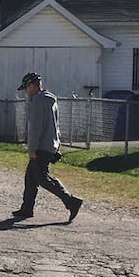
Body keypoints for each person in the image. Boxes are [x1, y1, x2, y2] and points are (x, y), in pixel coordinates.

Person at [13, 72, 83, 223]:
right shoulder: (50, 100)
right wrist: (56, 146)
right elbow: (55, 125)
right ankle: (27, 208)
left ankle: (71, 202)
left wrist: (32, 149)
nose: (26, 92)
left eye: (26, 88)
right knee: (31, 177)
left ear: (32, 86)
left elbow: (35, 128)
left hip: (40, 146)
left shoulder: (37, 102)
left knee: (43, 178)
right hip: (50, 144)